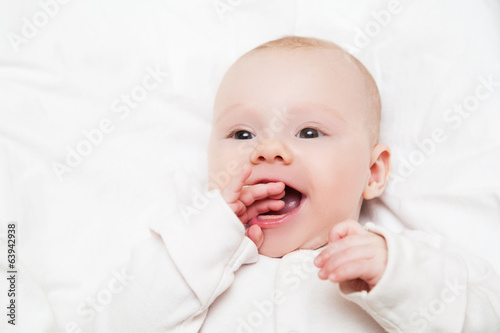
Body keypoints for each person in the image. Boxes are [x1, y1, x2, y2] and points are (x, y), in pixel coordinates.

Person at [88, 36, 500, 332]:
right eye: (242, 134)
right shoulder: (187, 263)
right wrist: (208, 233)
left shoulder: (410, 260)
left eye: (308, 132)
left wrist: (397, 277)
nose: (267, 150)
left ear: (373, 173)